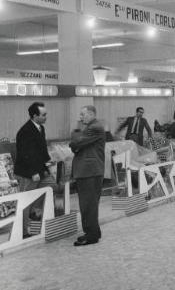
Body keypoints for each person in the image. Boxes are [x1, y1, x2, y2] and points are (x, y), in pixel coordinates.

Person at [14, 102, 54, 238]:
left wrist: (48, 162)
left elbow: (42, 150)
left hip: (40, 170)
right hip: (27, 173)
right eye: (43, 115)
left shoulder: (41, 128)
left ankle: (35, 212)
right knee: (25, 201)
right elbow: (25, 154)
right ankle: (23, 232)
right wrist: (33, 173)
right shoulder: (25, 131)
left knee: (52, 187)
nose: (46, 117)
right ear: (34, 116)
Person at [70, 105, 106, 246]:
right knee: (87, 204)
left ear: (91, 114)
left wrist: (76, 131)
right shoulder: (91, 127)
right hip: (88, 171)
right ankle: (92, 232)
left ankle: (91, 236)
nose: (80, 117)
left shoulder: (94, 127)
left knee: (88, 204)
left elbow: (76, 142)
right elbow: (78, 144)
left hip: (90, 172)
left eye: (82, 114)